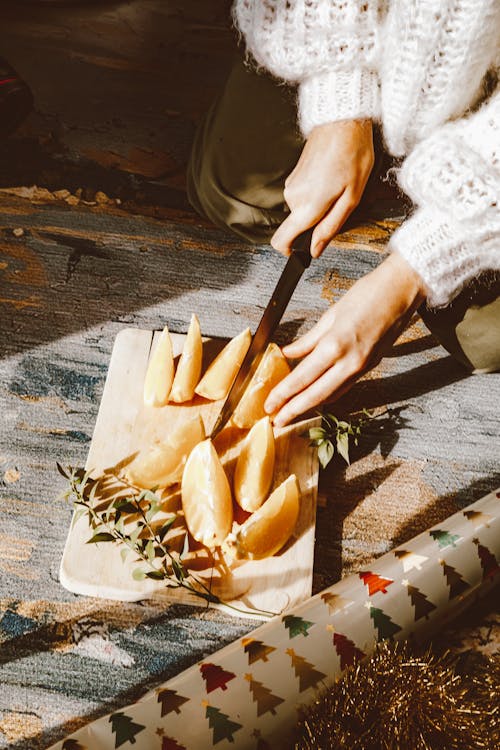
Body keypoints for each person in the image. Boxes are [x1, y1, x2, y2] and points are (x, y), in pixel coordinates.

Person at [188, 1, 500, 427]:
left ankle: (433, 183)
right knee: (235, 195)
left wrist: (419, 265)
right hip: (355, 19)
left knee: (483, 341)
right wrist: (339, 101)